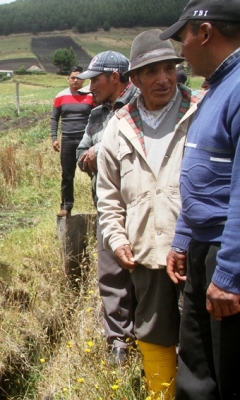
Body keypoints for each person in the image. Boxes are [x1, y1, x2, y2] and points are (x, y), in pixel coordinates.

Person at [96, 29, 202, 399]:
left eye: (169, 68)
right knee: (153, 328)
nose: (163, 79)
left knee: (201, 330)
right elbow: (107, 197)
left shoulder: (200, 111)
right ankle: (162, 394)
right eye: (152, 71)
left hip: (196, 248)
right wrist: (117, 237)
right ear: (135, 79)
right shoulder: (118, 128)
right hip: (144, 248)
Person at [160, 1, 240, 398]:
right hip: (202, 250)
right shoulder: (216, 89)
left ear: (204, 32)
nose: (181, 50)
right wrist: (183, 237)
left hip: (226, 254)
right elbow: (204, 176)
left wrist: (229, 273)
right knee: (196, 367)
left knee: (227, 370)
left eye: (182, 38)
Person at [75, 51, 140, 365]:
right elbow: (81, 153)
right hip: (107, 207)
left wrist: (102, 149)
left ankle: (150, 338)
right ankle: (119, 342)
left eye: (95, 80)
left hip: (141, 208)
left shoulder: (142, 104)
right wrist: (91, 155)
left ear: (114, 77)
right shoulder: (97, 113)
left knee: (144, 274)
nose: (90, 88)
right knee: (111, 275)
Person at [51, 66, 94, 217]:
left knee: (94, 172)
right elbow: (54, 119)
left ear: (84, 80)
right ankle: (66, 206)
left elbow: (96, 117)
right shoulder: (60, 96)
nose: (76, 80)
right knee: (67, 175)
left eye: (79, 77)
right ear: (68, 79)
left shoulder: (91, 96)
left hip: (86, 141)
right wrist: (55, 138)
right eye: (73, 77)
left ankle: (99, 203)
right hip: (68, 140)